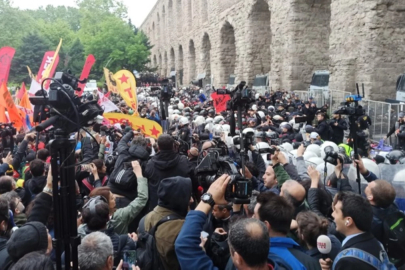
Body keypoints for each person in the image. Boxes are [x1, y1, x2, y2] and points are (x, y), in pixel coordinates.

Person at [175, 175, 285, 270]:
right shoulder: (288, 263)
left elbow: (184, 244)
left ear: (238, 259)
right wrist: (235, 210)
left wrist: (208, 198)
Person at [319, 192, 391, 270]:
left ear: (348, 221)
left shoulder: (348, 261)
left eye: (336, 211)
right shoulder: (377, 243)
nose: (332, 214)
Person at [254, 192, 320, 270]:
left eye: (255, 218)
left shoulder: (253, 260)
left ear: (265, 226)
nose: (251, 221)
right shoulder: (310, 263)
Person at [141, 176, 192, 270]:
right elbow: (195, 262)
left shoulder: (145, 219)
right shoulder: (179, 230)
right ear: (178, 200)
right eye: (188, 197)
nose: (192, 200)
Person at [144, 134, 190, 212]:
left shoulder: (150, 164)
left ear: (158, 147)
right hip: (178, 205)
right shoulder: (183, 161)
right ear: (173, 146)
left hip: (157, 206)